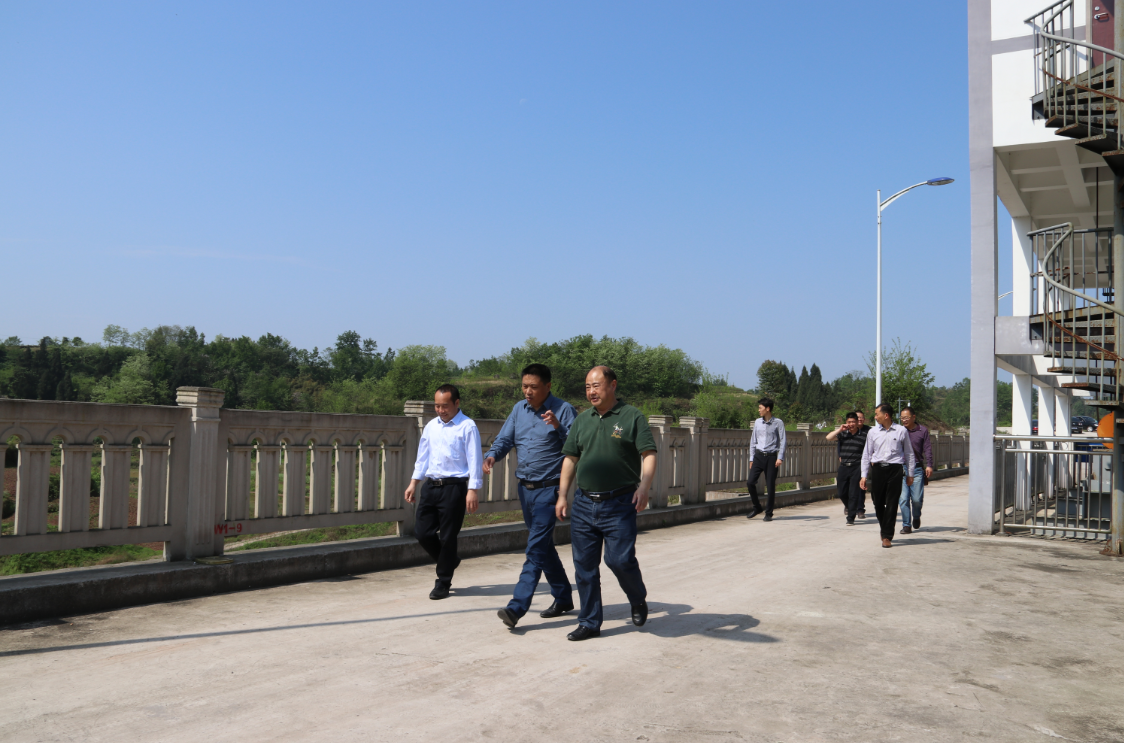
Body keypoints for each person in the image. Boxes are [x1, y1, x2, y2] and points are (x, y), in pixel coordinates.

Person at [556, 366, 656, 641]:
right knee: (584, 567)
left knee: (619, 559)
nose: (591, 392)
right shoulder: (582, 420)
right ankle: (589, 622)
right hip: (584, 503)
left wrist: (644, 487)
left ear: (612, 385)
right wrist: (563, 495)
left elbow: (648, 453)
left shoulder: (632, 416)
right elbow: (571, 458)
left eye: (596, 386)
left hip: (620, 502)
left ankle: (637, 597)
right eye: (588, 387)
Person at [484, 364, 576, 628]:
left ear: (548, 386)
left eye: (533, 387)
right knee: (543, 546)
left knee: (535, 548)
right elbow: (505, 439)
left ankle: (516, 607)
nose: (528, 391)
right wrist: (492, 455)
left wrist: (558, 427)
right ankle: (563, 597)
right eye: (524, 386)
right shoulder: (518, 409)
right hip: (525, 489)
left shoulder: (564, 410)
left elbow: (577, 446)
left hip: (550, 489)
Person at [404, 384, 483, 599]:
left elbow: (475, 460)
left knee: (448, 537)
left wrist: (473, 490)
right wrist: (413, 483)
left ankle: (443, 581)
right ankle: (449, 560)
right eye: (437, 406)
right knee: (422, 532)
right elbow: (423, 457)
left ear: (457, 403)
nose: (441, 410)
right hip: (431, 486)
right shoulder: (431, 426)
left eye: (445, 406)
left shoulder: (467, 426)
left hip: (454, 488)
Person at [859, 403, 916, 548]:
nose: (875, 417)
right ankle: (884, 527)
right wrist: (864, 475)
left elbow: (909, 453)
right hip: (878, 469)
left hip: (895, 469)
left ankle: (886, 536)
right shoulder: (873, 432)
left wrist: (910, 474)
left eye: (877, 414)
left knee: (892, 502)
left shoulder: (901, 431)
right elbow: (866, 454)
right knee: (877, 502)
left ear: (886, 415)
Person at [745, 398, 786, 522]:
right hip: (758, 456)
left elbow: (783, 440)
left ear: (767, 409)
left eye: (760, 408)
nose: (759, 410)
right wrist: (751, 458)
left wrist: (780, 457)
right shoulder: (757, 422)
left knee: (770, 485)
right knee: (750, 482)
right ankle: (757, 507)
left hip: (772, 457)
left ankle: (769, 513)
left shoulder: (778, 423)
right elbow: (753, 440)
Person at [825, 412, 870, 524]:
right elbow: (828, 437)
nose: (851, 424)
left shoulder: (864, 436)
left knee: (854, 493)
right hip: (844, 466)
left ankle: (850, 518)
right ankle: (850, 507)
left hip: (857, 467)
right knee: (841, 492)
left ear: (857, 422)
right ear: (846, 422)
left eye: (853, 422)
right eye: (849, 422)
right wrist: (840, 429)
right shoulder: (843, 434)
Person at [898, 406, 933, 534]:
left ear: (913, 417)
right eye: (902, 418)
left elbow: (927, 448)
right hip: (901, 469)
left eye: (906, 417)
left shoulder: (923, 430)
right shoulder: (899, 431)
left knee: (917, 499)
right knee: (903, 499)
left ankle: (916, 515)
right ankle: (906, 525)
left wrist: (929, 465)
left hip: (917, 468)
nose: (904, 420)